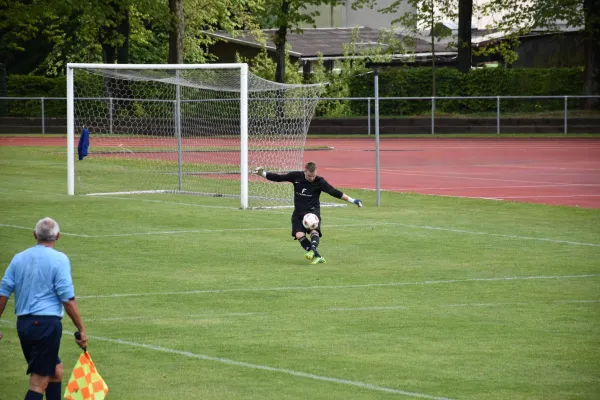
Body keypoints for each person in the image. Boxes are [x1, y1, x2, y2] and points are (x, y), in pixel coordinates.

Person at [0, 217, 88, 400]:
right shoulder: (59, 259)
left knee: (56, 371)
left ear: (35, 235)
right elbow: (68, 299)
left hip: (24, 325)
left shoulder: (19, 258)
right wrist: (81, 329)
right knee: (38, 383)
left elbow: (3, 293)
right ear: (58, 236)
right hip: (46, 326)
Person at [255, 161, 362, 264]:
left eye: (313, 176)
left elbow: (334, 192)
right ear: (305, 171)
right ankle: (318, 256)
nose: (311, 178)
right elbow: (279, 178)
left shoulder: (320, 181)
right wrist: (263, 174)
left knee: (313, 231)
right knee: (299, 234)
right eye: (309, 176)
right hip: (298, 213)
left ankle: (313, 251)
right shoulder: (296, 176)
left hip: (312, 212)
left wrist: (352, 200)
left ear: (316, 172)